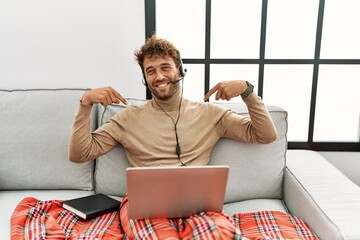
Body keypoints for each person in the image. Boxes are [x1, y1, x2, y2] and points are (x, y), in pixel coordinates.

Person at [68, 34, 278, 239]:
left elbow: (264, 135)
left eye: (165, 67)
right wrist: (85, 103)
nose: (159, 77)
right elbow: (80, 154)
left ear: (180, 70)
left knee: (221, 235)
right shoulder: (127, 117)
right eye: (150, 71)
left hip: (198, 205)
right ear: (145, 79)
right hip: (145, 205)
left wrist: (247, 91)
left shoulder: (211, 114)